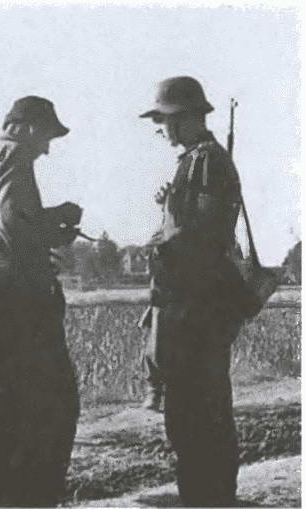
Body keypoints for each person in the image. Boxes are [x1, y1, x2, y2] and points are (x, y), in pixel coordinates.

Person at [139, 76, 249, 506]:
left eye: (164, 121)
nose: (161, 130)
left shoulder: (207, 161)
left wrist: (162, 237)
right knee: (191, 417)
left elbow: (204, 234)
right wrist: (169, 208)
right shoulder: (196, 160)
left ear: (184, 119)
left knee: (199, 417)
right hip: (191, 308)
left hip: (198, 311)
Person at [0, 96, 80, 507]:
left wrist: (45, 226)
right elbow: (16, 221)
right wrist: (58, 221)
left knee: (10, 401)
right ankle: (38, 498)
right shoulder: (16, 155)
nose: (48, 147)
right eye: (48, 135)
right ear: (29, 127)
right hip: (26, 297)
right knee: (59, 402)